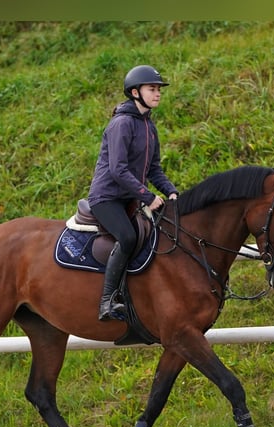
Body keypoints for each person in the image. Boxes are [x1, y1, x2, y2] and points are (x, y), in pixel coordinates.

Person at [88, 64, 179, 321]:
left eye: (159, 89)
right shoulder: (122, 123)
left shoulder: (149, 126)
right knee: (127, 237)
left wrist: (171, 191)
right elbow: (117, 170)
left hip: (129, 197)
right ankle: (107, 301)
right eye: (152, 89)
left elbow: (154, 169)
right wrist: (148, 197)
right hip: (106, 198)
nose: (158, 93)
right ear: (135, 92)